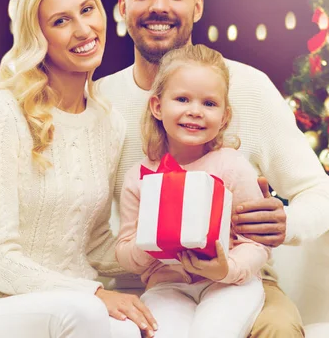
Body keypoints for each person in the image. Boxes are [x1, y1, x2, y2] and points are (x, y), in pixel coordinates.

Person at [97, 0, 329, 337]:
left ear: (196, 7)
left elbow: (324, 194)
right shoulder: (98, 102)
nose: (159, 5)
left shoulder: (249, 87)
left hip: (238, 277)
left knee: (277, 330)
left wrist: (285, 223)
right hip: (143, 285)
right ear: (123, 7)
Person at [0, 0, 156, 338]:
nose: (83, 29)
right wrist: (94, 293)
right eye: (61, 21)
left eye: (87, 10)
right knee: (87, 313)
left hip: (72, 306)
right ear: (36, 36)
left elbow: (95, 242)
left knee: (135, 328)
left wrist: (166, 254)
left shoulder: (108, 123)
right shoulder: (2, 113)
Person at [116, 44, 271, 338]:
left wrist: (227, 269)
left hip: (228, 284)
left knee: (212, 331)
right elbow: (124, 250)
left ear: (224, 116)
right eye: (183, 99)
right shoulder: (140, 177)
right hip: (167, 286)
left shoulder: (232, 166)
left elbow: (258, 243)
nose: (195, 111)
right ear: (158, 106)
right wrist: (149, 242)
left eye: (209, 104)